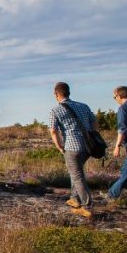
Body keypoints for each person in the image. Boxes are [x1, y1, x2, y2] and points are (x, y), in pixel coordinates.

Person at [48, 82, 97, 219]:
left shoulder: (55, 110)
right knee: (76, 172)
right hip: (88, 146)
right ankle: (74, 198)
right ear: (68, 92)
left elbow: (53, 130)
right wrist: (92, 134)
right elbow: (94, 121)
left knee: (77, 176)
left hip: (71, 146)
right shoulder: (83, 106)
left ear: (56, 94)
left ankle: (87, 206)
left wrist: (59, 146)